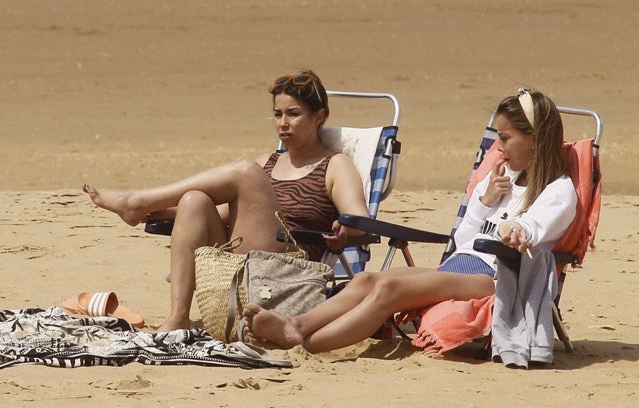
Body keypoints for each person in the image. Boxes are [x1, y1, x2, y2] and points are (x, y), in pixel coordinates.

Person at [243, 87, 576, 354]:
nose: (499, 149)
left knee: (390, 288)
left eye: (506, 139)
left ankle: (304, 340)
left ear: (534, 138)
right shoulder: (502, 179)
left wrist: (514, 228)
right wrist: (485, 201)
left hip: (498, 277)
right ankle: (297, 326)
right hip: (463, 265)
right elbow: (462, 241)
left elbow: (532, 228)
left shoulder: (559, 192)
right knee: (367, 280)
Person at [83, 70, 369, 333]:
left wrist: (345, 230)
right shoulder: (267, 164)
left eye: (293, 114)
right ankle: (178, 317)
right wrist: (169, 212)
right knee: (194, 200)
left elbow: (361, 221)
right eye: (277, 114)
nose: (283, 124)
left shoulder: (334, 165)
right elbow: (220, 215)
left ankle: (137, 201)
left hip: (287, 270)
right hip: (241, 265)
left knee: (246, 172)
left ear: (319, 117)